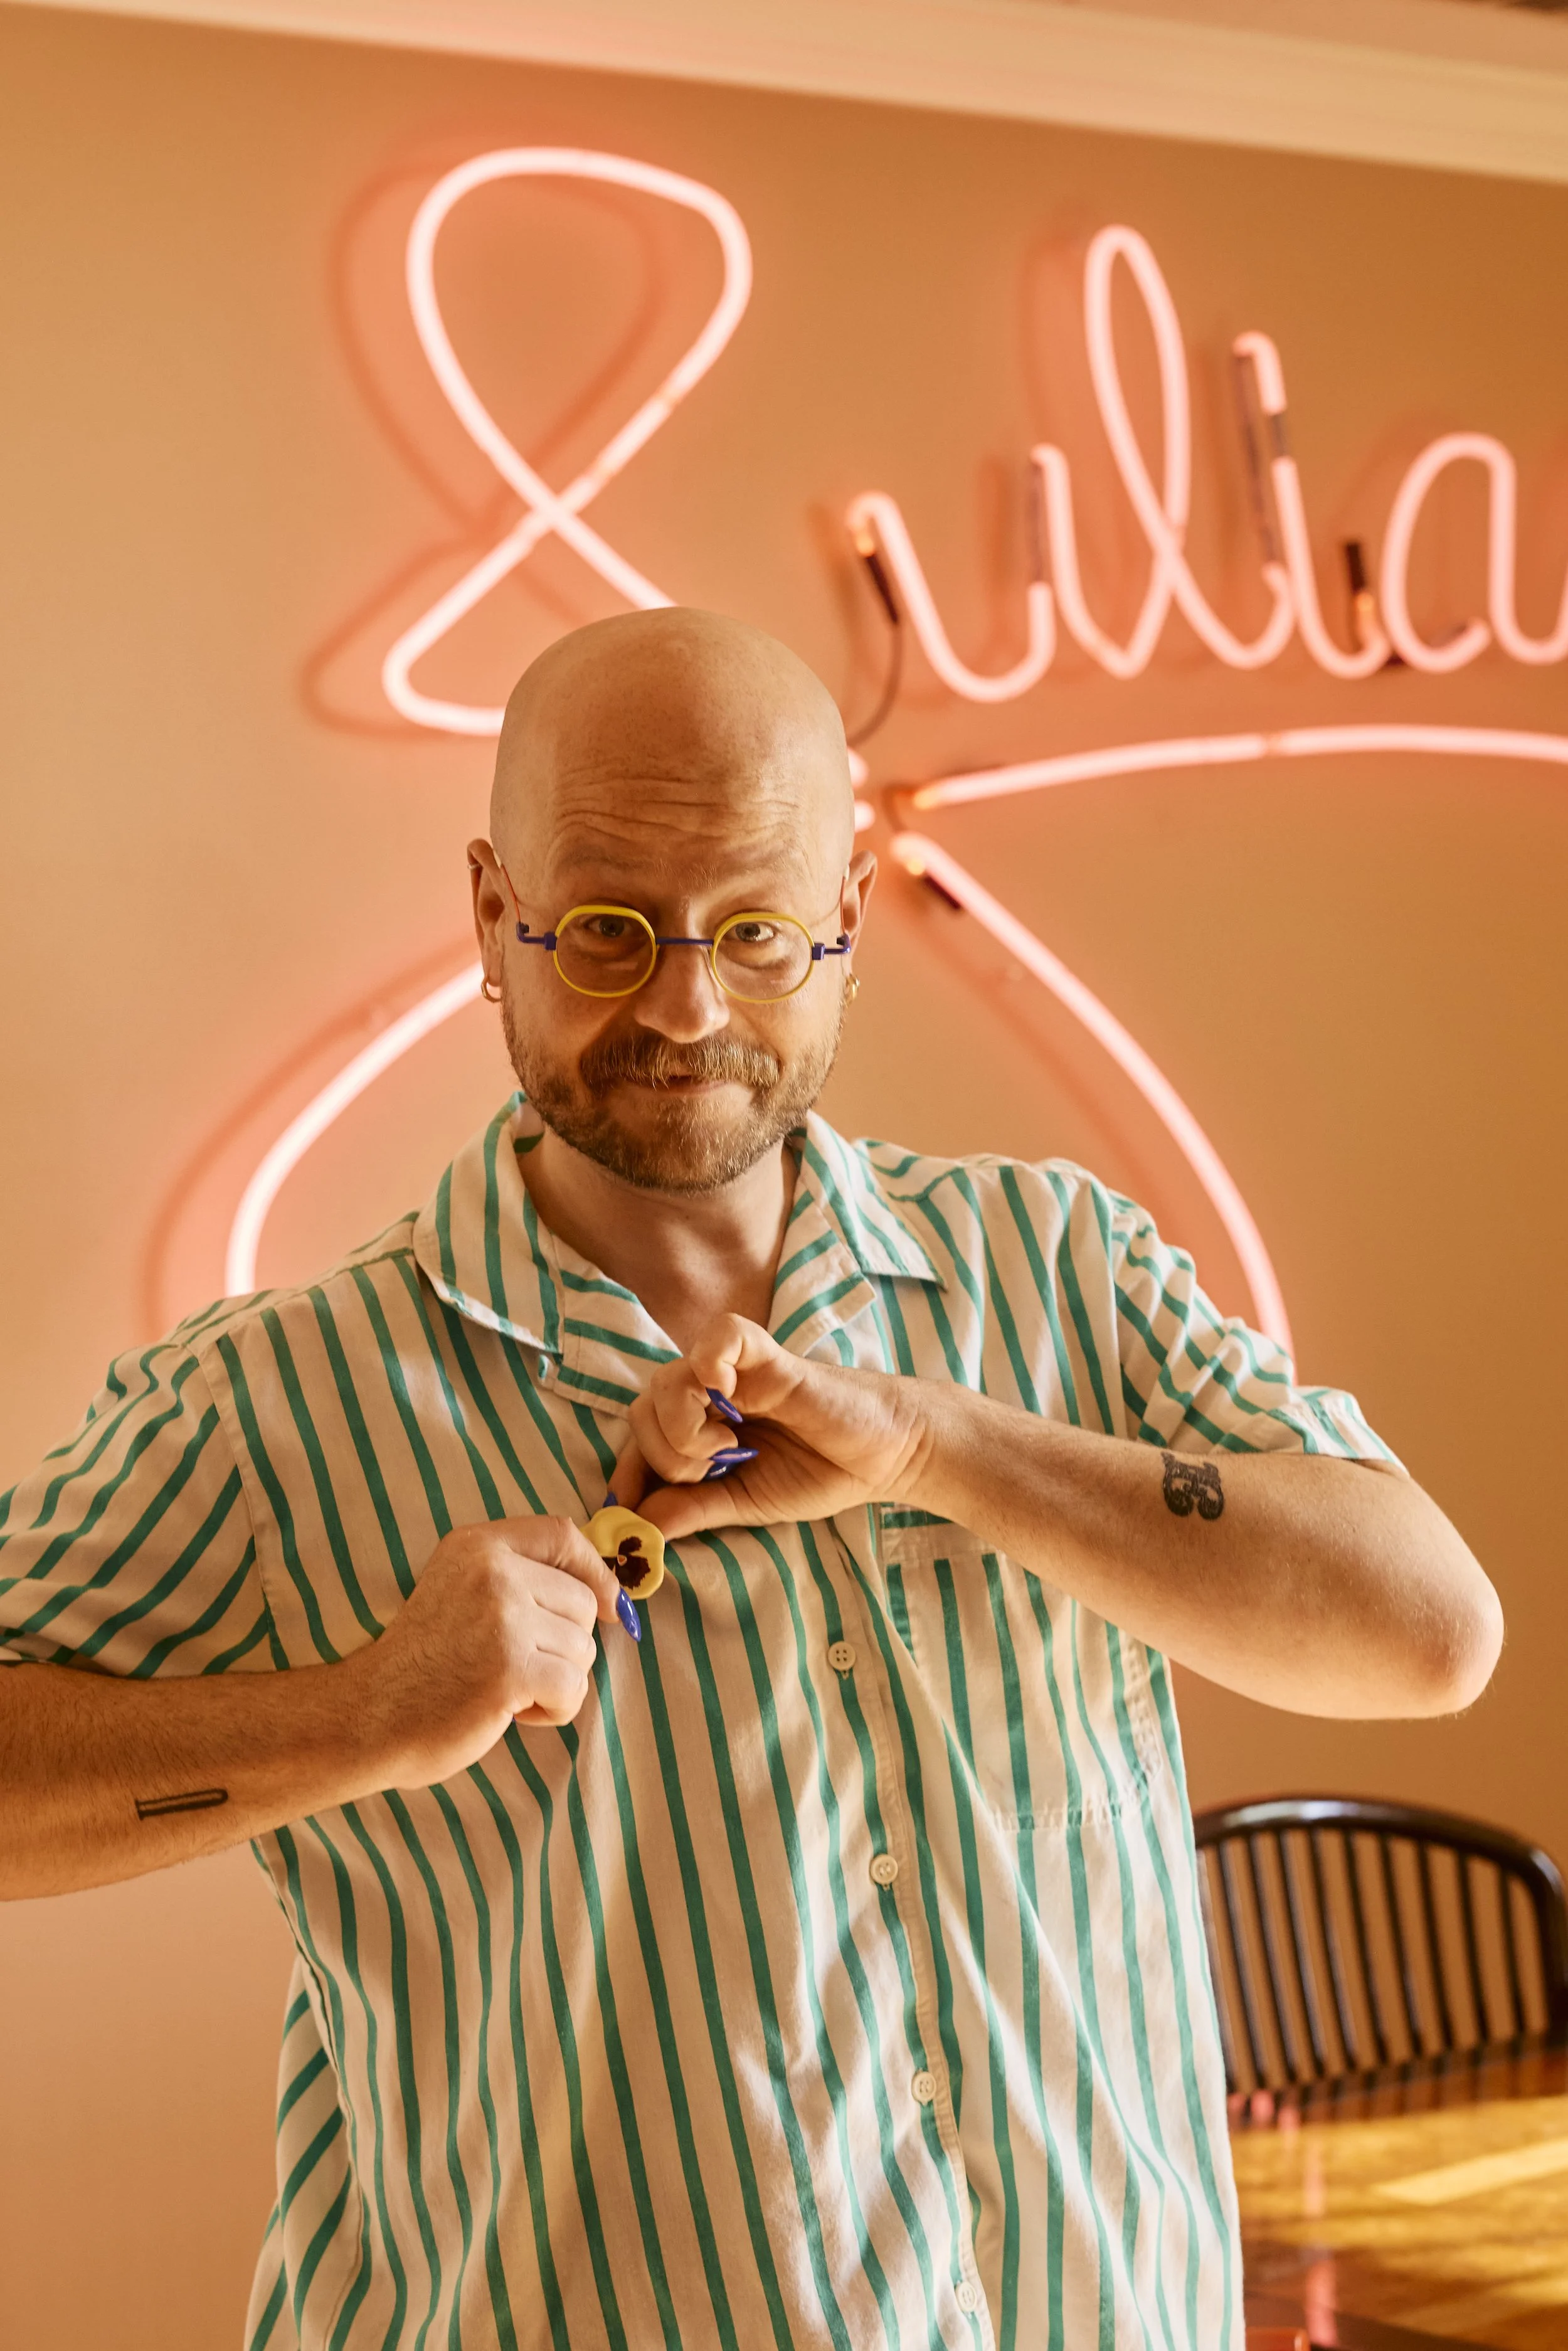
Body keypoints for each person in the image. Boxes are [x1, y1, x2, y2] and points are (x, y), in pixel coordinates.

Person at [0, 608, 1501, 2351]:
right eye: (614, 927)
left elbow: (1431, 1631)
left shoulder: (1061, 1271)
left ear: (847, 917)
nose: (688, 1003)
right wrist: (361, 1716)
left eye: (759, 930)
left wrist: (944, 1452)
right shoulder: (269, 1406)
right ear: (493, 916)